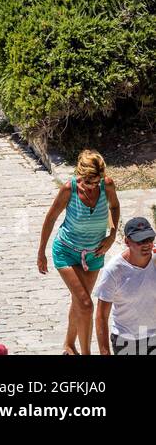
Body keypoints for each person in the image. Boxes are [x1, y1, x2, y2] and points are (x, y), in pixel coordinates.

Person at [37, 148, 120, 355]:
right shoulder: (69, 189)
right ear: (80, 176)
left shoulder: (107, 185)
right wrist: (41, 252)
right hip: (66, 251)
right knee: (86, 304)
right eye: (90, 182)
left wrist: (112, 235)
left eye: (97, 181)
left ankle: (69, 344)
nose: (94, 186)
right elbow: (50, 218)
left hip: (95, 253)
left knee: (79, 301)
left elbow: (115, 207)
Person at [95, 216, 156, 356]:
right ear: (127, 241)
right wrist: (104, 352)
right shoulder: (114, 270)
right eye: (140, 241)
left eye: (150, 239)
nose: (147, 244)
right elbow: (101, 316)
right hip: (127, 341)